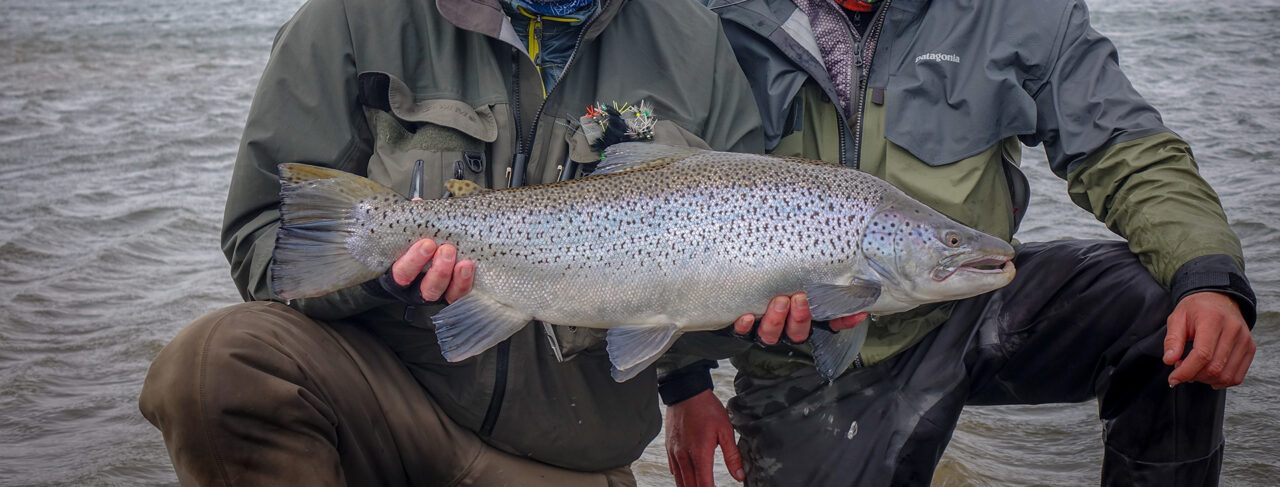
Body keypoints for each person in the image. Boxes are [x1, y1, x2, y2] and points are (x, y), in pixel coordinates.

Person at [137, 0, 766, 485]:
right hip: (381, 415)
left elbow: (700, 265)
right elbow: (266, 244)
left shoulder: (694, 39)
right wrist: (381, 279)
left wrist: (716, 359)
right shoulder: (354, 17)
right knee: (217, 363)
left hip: (565, 457)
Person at [659, 0, 1258, 485]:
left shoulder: (1018, 13)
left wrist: (1207, 277)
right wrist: (685, 385)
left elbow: (1124, 148)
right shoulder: (713, 16)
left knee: (1165, 307)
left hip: (968, 306)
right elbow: (657, 213)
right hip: (803, 357)